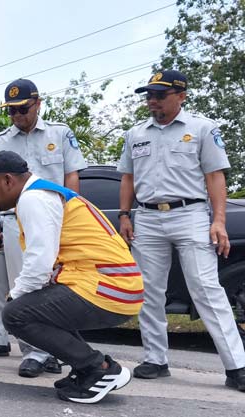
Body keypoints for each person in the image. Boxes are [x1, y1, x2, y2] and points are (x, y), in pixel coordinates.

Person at [0, 150, 140, 404]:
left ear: (7, 180)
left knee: (16, 314)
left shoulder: (33, 198)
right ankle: (86, 369)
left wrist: (14, 296)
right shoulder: (45, 193)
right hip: (115, 285)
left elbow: (40, 261)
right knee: (39, 304)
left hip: (108, 286)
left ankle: (98, 369)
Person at [117, 69, 245, 391]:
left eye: (159, 95)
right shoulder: (136, 133)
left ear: (181, 96)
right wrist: (124, 215)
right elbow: (128, 178)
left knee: (205, 288)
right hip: (147, 217)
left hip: (190, 214)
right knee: (149, 291)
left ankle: (237, 366)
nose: (152, 101)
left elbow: (216, 177)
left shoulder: (202, 129)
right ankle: (155, 360)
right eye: (148, 95)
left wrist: (218, 221)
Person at [0, 79, 86, 378]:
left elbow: (71, 177)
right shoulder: (0, 141)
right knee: (23, 286)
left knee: (57, 288)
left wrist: (70, 213)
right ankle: (35, 351)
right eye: (11, 111)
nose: (17, 116)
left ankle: (58, 349)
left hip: (56, 219)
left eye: (23, 109)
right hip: (15, 221)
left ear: (38, 104)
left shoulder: (59, 133)